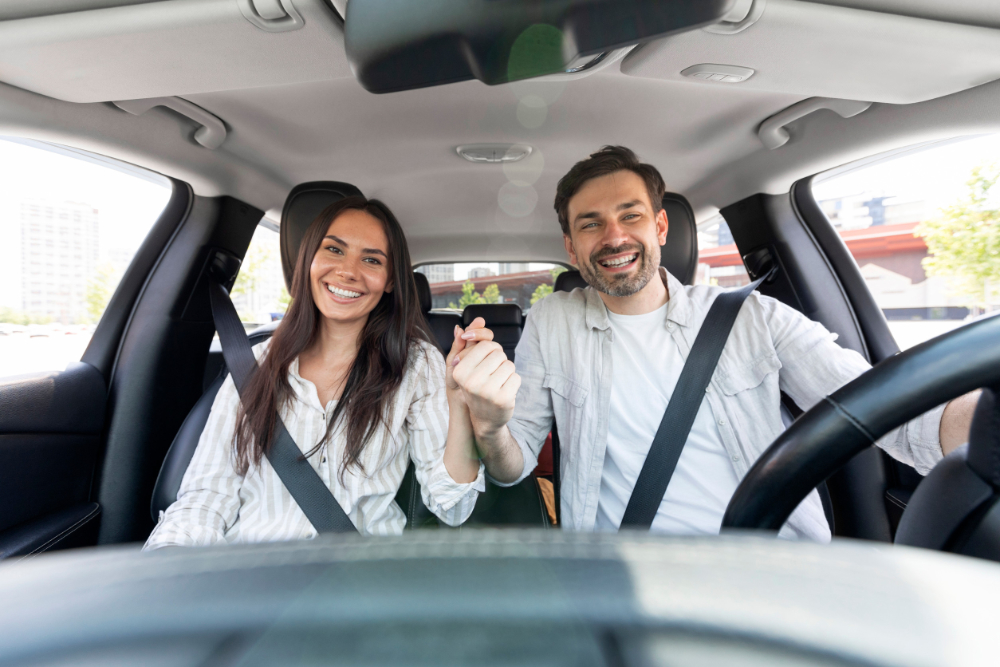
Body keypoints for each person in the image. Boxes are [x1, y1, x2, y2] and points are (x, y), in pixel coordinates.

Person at [449, 146, 980, 541]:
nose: (613, 236)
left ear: (660, 226)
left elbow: (887, 407)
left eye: (630, 215)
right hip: (623, 575)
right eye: (591, 224)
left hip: (765, 569)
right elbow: (509, 466)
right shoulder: (552, 322)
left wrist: (985, 418)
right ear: (571, 244)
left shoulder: (751, 316)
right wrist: (491, 426)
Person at [145, 195, 485, 548]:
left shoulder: (417, 365)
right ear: (308, 259)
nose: (348, 271)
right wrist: (167, 567)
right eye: (334, 250)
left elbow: (453, 508)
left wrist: (460, 405)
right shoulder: (253, 364)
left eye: (371, 259)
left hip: (355, 582)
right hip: (251, 580)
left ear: (390, 281)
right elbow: (205, 499)